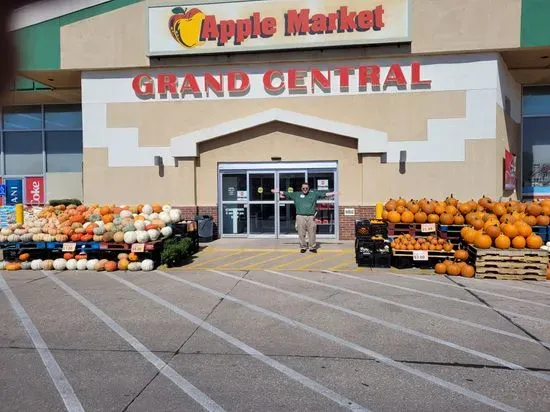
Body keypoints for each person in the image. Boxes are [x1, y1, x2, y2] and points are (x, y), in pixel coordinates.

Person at [271, 183, 337, 253]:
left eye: (306, 188)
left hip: (311, 217)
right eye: (303, 188)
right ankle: (303, 247)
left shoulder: (313, 194)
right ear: (301, 188)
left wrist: (333, 193)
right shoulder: (296, 194)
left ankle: (312, 247)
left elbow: (324, 194)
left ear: (309, 188)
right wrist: (277, 192)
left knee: (312, 232)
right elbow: (285, 193)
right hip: (300, 216)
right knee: (301, 233)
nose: (305, 189)